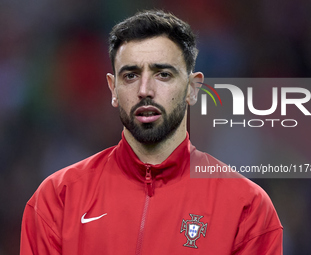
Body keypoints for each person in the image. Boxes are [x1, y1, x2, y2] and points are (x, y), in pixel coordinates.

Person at [20, 10, 283, 254]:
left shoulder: (246, 207)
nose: (145, 90)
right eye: (131, 76)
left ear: (193, 88)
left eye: (163, 74)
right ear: (113, 89)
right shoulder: (58, 199)